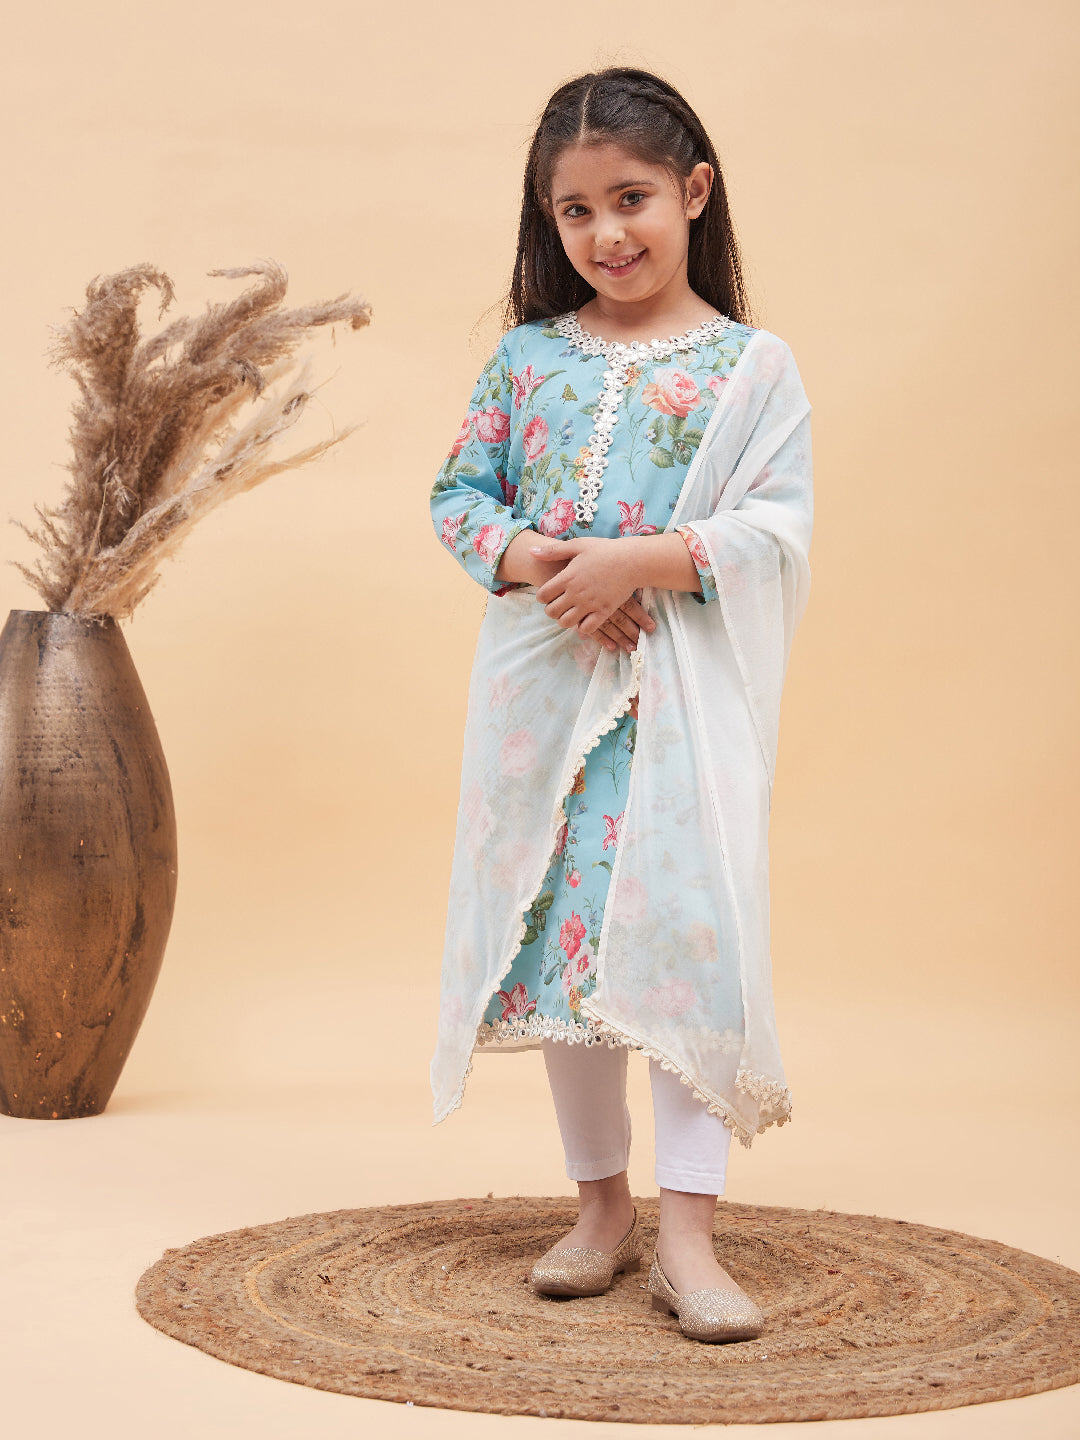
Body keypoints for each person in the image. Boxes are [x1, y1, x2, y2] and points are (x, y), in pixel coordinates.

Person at [428, 66, 812, 1344]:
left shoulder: (751, 368)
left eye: (632, 198)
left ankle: (688, 1236)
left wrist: (635, 564)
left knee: (686, 940)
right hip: (545, 712)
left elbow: (775, 529)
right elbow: (459, 499)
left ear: (694, 192)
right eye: (576, 210)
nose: (607, 233)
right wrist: (546, 565)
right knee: (570, 947)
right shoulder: (527, 358)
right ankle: (600, 1211)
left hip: (681, 704)